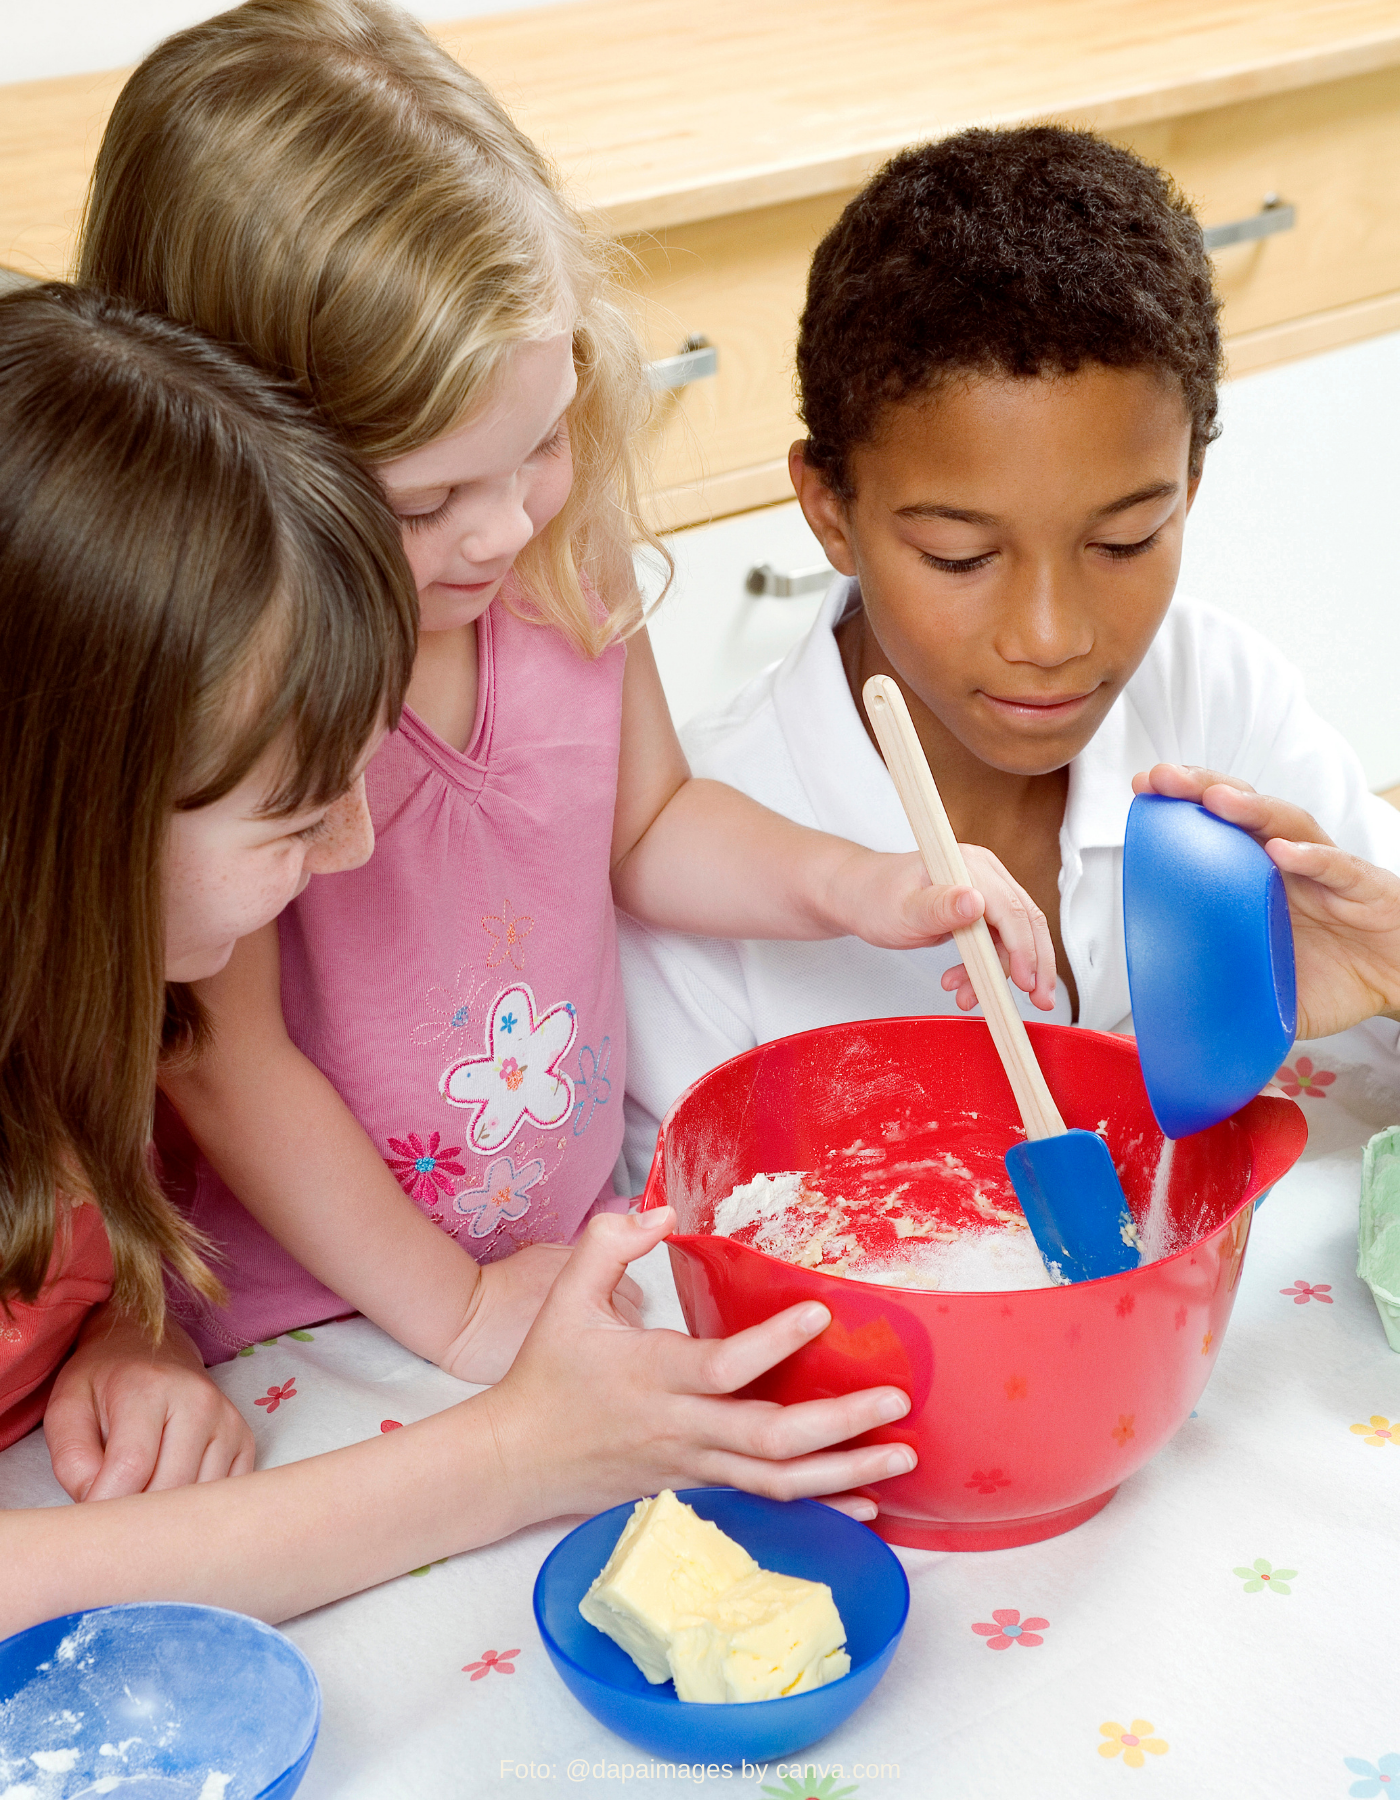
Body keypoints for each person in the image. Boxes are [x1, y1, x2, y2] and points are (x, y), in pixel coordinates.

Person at [77, 0, 1054, 1381]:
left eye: (538, 443)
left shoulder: (557, 560)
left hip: (554, 1266)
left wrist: (861, 885)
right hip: (320, 1312)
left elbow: (645, 827)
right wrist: (458, 1311)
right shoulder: (242, 694)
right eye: (422, 504)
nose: (498, 530)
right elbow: (219, 1060)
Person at [0, 282, 918, 1640]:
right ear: (63, 818)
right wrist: (516, 1456)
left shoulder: (97, 1011)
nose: (357, 844)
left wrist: (129, 1330)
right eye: (294, 814)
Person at [619, 125, 1400, 1183]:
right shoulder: (700, 867)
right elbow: (684, 1243)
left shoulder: (1215, 693)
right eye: (960, 556)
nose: (1050, 637)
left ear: (1187, 489)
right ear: (830, 511)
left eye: (1125, 541)